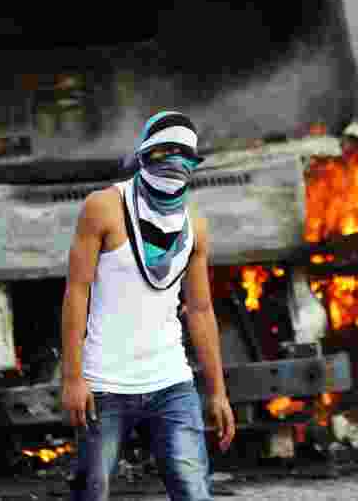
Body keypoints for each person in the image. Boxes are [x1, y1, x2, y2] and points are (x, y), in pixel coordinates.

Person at [61, 111, 235, 501]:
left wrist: (218, 392)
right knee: (92, 492)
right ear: (143, 153)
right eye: (164, 151)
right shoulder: (103, 207)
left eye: (183, 155)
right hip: (104, 384)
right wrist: (73, 377)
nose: (173, 162)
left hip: (171, 382)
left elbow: (201, 311)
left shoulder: (195, 225)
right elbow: (76, 290)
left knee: (193, 491)